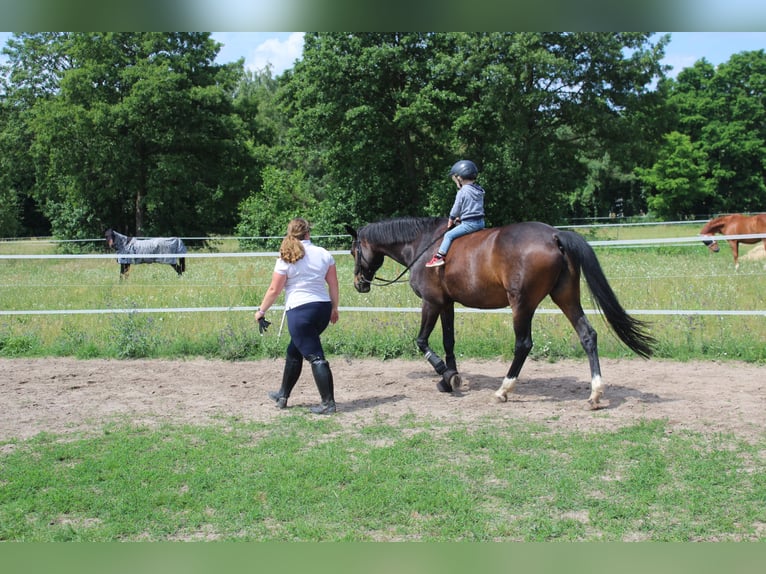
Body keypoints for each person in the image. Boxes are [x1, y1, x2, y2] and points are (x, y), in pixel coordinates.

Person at [254, 217, 340, 414]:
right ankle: (282, 395)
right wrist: (335, 308)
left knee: (316, 357)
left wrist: (261, 311)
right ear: (308, 232)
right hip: (322, 309)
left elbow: (274, 289)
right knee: (295, 350)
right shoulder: (324, 254)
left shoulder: (286, 256)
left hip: (300, 312)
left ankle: (328, 404)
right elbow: (333, 284)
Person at [425, 159, 486, 268]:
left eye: (456, 177)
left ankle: (439, 257)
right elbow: (471, 207)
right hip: (480, 223)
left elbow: (456, 207)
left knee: (449, 235)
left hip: (469, 224)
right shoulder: (479, 190)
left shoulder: (462, 191)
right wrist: (461, 218)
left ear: (460, 177)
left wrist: (452, 218)